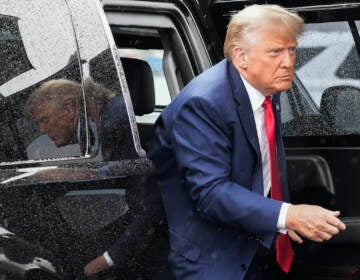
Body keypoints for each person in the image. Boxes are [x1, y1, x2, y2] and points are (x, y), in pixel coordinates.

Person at [148, 4, 346, 280]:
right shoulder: (203, 103)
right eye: (275, 52)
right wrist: (287, 215)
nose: (289, 62)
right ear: (241, 56)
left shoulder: (266, 87)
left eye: (291, 49)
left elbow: (266, 168)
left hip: (257, 244)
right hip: (215, 259)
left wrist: (277, 222)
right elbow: (210, 193)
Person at [26, 79, 168, 278]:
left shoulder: (115, 121)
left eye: (44, 120)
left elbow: (151, 202)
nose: (41, 130)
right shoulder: (106, 119)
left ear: (68, 108)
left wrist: (108, 258)